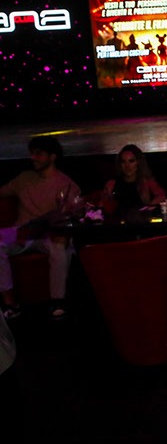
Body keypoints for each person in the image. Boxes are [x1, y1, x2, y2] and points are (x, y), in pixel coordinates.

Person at [0, 136, 81, 320]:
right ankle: (9, 303)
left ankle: (57, 301)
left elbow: (71, 216)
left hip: (48, 235)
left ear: (52, 157)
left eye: (39, 154)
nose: (33, 158)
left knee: (61, 246)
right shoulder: (24, 178)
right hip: (21, 233)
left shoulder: (66, 184)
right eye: (32, 153)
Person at [102, 144, 166, 213]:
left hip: (142, 218)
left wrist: (148, 207)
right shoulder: (112, 183)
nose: (127, 166)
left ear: (138, 162)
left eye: (131, 161)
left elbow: (162, 196)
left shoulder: (146, 181)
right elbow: (102, 205)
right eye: (123, 161)